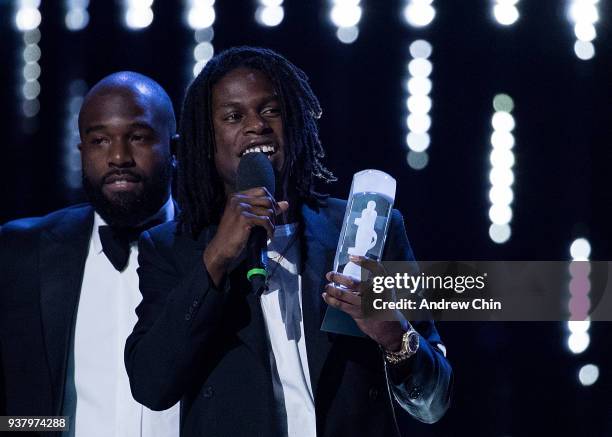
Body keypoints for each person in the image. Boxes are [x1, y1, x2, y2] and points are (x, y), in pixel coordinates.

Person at [125, 47, 452, 437]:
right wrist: (215, 259)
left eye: (271, 110)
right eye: (233, 116)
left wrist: (392, 332)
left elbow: (434, 401)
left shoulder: (369, 230)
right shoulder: (170, 247)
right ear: (207, 141)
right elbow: (151, 385)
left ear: (294, 121)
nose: (256, 126)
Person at [0, 72, 180, 437]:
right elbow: (15, 410)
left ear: (174, 150)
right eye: (99, 140)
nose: (118, 157)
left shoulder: (214, 249)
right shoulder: (20, 252)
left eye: (138, 137)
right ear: (81, 151)